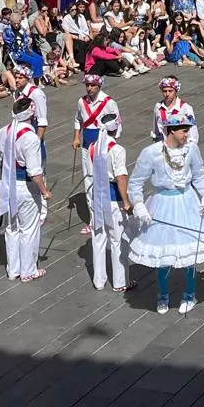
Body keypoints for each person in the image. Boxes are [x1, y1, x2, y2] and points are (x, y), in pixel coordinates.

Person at [128, 112, 204, 313]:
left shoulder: (191, 149)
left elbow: (199, 174)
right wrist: (138, 206)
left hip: (186, 200)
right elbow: (135, 183)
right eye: (184, 130)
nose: (187, 135)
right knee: (164, 251)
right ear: (171, 130)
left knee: (189, 250)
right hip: (162, 202)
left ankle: (189, 293)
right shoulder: (151, 152)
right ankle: (163, 294)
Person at [0, 93, 49, 282]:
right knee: (29, 229)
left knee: (11, 228)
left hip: (6, 185)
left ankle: (13, 269)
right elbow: (34, 171)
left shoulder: (2, 132)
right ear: (31, 116)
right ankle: (28, 270)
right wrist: (44, 191)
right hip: (25, 186)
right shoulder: (31, 138)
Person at [85, 109, 129, 292]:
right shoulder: (117, 150)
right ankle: (120, 282)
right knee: (117, 239)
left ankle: (99, 280)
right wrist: (126, 201)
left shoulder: (93, 147)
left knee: (99, 239)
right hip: (113, 200)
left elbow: (90, 173)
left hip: (97, 198)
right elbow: (120, 178)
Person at [75, 73, 117, 231]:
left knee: (105, 179)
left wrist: (111, 145)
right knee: (89, 181)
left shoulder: (109, 102)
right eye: (87, 85)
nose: (89, 88)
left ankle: (108, 214)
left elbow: (116, 125)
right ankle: (93, 220)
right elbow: (78, 120)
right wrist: (76, 137)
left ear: (99, 86)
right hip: (86, 146)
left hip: (102, 146)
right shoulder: (81, 102)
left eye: (92, 85)